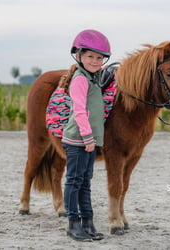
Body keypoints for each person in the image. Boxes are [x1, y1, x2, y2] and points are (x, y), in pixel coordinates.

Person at [61, 29, 111, 242]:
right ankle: (73, 224)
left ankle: (87, 222)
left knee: (85, 181)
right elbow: (80, 111)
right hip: (78, 140)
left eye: (99, 57)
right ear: (79, 56)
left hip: (89, 141)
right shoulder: (80, 80)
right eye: (90, 56)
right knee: (74, 181)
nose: (95, 60)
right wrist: (88, 138)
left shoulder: (94, 78)